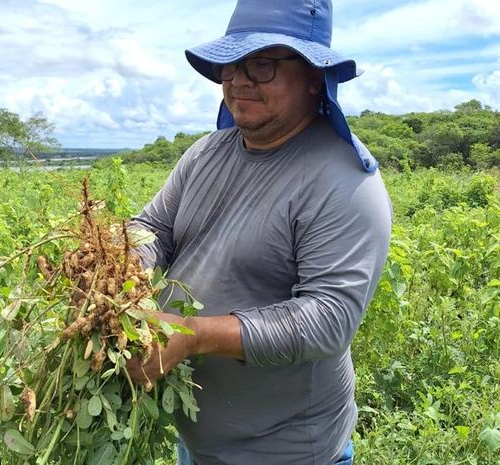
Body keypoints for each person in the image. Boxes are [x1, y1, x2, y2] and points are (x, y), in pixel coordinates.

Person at [126, 0, 392, 464]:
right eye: (230, 64)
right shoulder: (207, 153)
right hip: (195, 442)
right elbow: (154, 228)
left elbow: (328, 319)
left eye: (262, 64)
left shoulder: (345, 182)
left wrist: (191, 334)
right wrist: (121, 262)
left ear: (314, 77)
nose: (237, 79)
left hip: (285, 452)